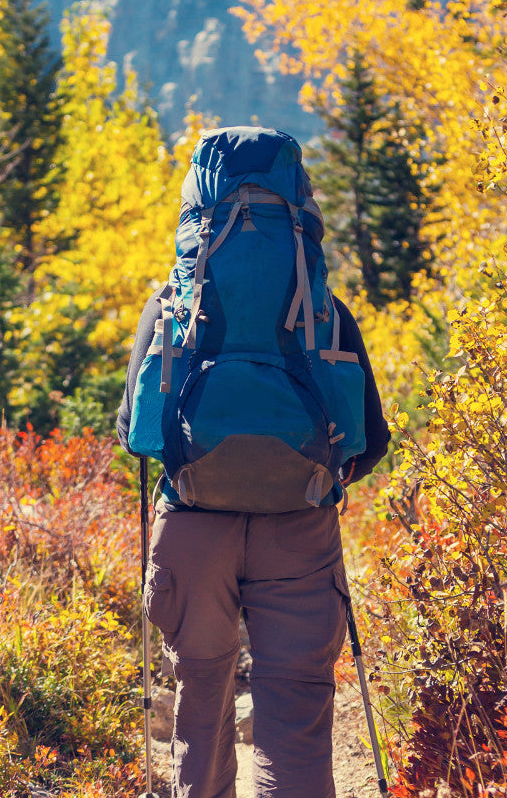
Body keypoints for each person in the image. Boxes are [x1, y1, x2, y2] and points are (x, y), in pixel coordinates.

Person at [116, 208, 390, 797]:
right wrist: (315, 484)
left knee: (201, 693)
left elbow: (133, 433)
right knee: (294, 699)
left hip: (192, 527)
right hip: (299, 527)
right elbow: (373, 440)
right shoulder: (325, 311)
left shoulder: (170, 306)